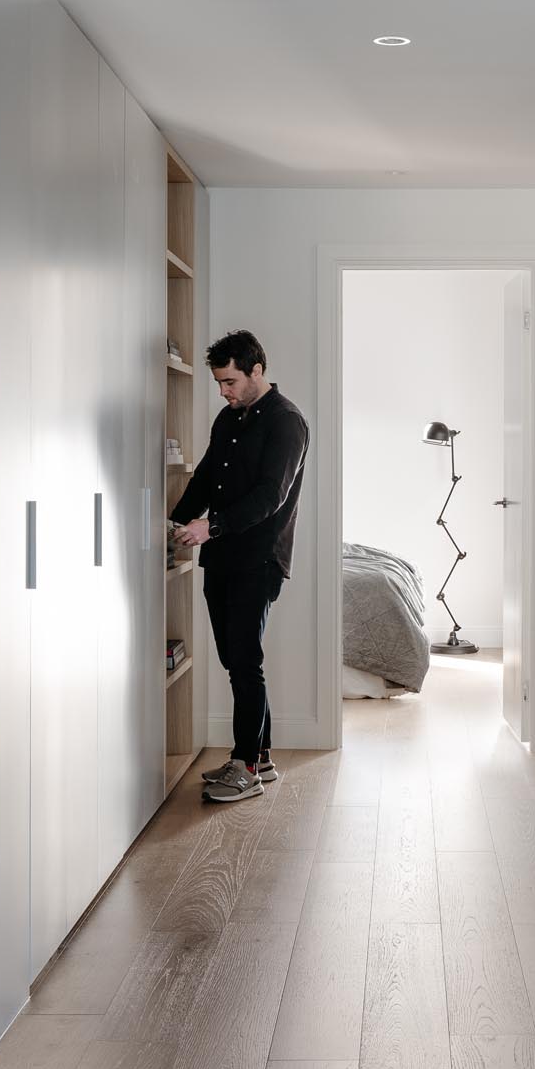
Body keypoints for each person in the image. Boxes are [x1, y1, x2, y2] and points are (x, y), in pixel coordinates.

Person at [172, 328, 309, 803]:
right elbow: (208, 474)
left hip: (260, 557)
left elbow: (271, 496)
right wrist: (172, 521)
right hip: (223, 554)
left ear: (257, 371)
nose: (224, 391)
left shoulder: (287, 422)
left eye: (230, 381)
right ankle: (262, 758)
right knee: (235, 659)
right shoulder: (229, 418)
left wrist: (212, 526)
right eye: (218, 383)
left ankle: (245, 766)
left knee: (245, 662)